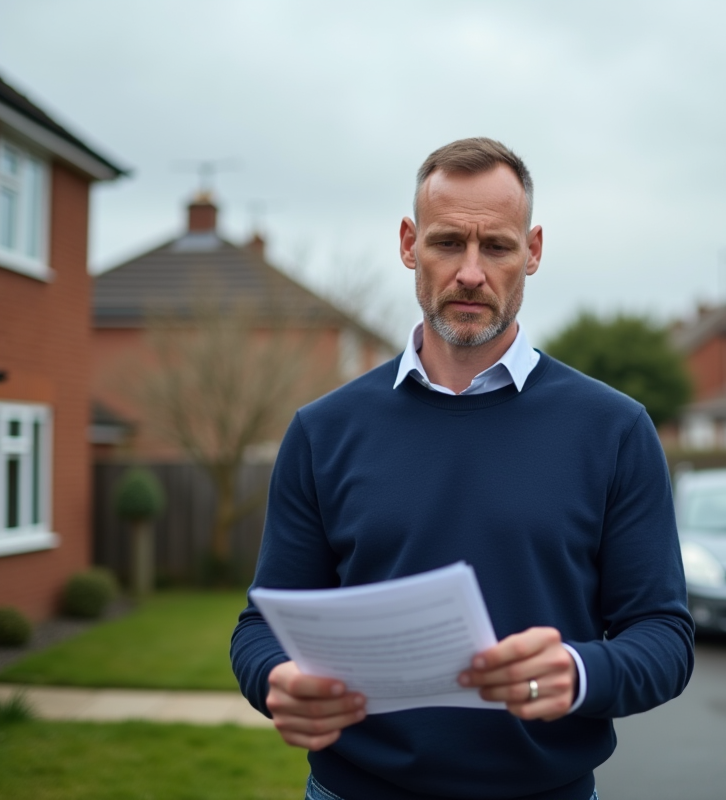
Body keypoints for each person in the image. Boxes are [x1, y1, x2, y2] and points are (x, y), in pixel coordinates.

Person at [231, 137, 694, 800]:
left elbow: (664, 635)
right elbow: (261, 627)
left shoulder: (614, 429)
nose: (471, 272)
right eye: (448, 243)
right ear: (407, 243)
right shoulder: (322, 431)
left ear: (532, 252)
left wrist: (579, 671)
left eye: (497, 247)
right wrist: (274, 680)